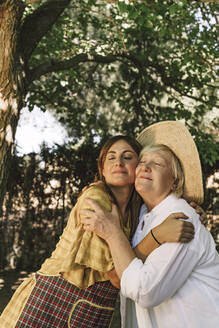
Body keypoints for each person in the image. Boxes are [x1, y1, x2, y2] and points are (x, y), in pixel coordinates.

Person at [0, 135, 197, 328]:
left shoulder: (136, 211)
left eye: (127, 157)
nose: (118, 162)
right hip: (51, 303)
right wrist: (157, 236)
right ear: (102, 169)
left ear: (137, 168)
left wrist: (188, 208)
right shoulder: (96, 200)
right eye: (110, 157)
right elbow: (117, 277)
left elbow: (159, 205)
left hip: (89, 310)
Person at [81, 121, 219, 328]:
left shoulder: (182, 218)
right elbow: (120, 271)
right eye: (143, 162)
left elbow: (145, 291)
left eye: (158, 164)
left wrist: (112, 232)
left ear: (174, 181)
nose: (145, 166)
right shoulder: (142, 217)